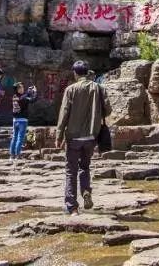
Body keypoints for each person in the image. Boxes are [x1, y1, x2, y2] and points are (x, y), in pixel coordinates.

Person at [55, 61, 111, 215]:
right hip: (91, 137)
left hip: (73, 137)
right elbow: (108, 111)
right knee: (84, 167)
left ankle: (72, 207)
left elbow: (64, 114)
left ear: (75, 73)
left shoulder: (70, 90)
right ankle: (86, 191)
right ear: (87, 72)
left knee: (71, 171)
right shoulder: (99, 88)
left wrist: (59, 135)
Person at [9, 82, 37, 162]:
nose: (23, 89)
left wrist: (28, 92)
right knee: (20, 138)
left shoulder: (14, 97)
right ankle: (18, 155)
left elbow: (25, 96)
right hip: (22, 120)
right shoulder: (23, 98)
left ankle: (12, 155)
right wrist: (35, 92)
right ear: (18, 89)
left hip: (15, 120)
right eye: (21, 87)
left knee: (14, 137)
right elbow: (33, 100)